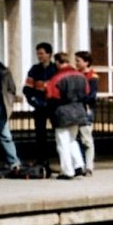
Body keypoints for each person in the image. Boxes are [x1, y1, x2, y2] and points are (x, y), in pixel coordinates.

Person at [44, 52, 88, 180]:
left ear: (57, 62)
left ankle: (67, 171)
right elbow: (87, 92)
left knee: (62, 142)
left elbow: (51, 95)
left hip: (62, 112)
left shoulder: (57, 77)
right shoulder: (81, 76)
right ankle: (79, 166)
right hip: (78, 110)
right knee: (72, 140)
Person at [0, 42, 22, 182]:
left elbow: (11, 88)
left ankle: (14, 163)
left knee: (6, 135)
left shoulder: (3, 70)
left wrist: (9, 100)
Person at [23, 42, 55, 168]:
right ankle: (42, 160)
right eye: (37, 53)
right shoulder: (34, 69)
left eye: (41, 53)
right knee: (40, 135)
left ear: (49, 54)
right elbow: (27, 88)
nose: (39, 56)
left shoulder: (55, 69)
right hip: (40, 106)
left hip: (53, 106)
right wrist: (33, 101)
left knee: (59, 133)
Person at [74, 50, 98, 177]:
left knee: (86, 139)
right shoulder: (75, 75)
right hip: (76, 109)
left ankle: (89, 166)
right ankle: (79, 165)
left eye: (78, 61)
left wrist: (79, 98)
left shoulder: (92, 77)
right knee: (75, 139)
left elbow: (92, 95)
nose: (76, 63)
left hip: (85, 109)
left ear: (86, 62)